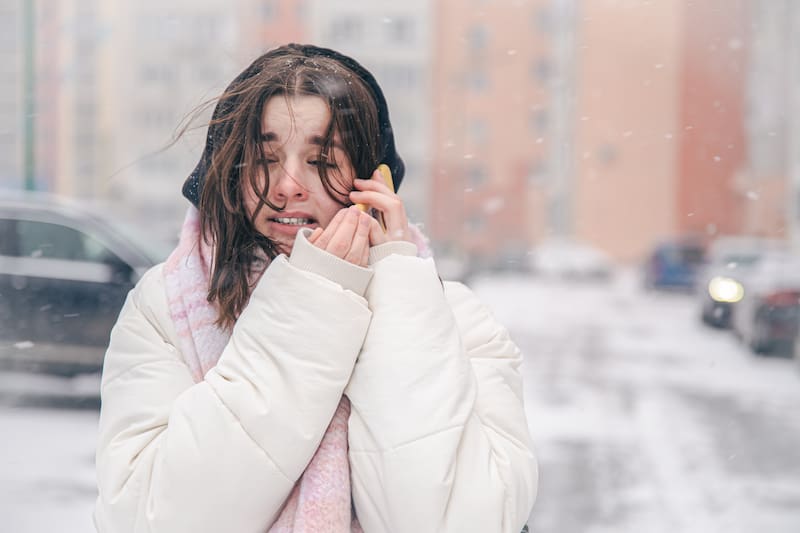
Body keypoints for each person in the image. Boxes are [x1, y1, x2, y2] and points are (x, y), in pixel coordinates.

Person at [94, 43, 537, 533]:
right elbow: (152, 518)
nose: (287, 185)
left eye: (322, 159)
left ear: (372, 180)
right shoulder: (164, 310)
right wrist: (312, 302)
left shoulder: (456, 321)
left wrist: (396, 285)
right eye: (264, 157)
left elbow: (449, 521)